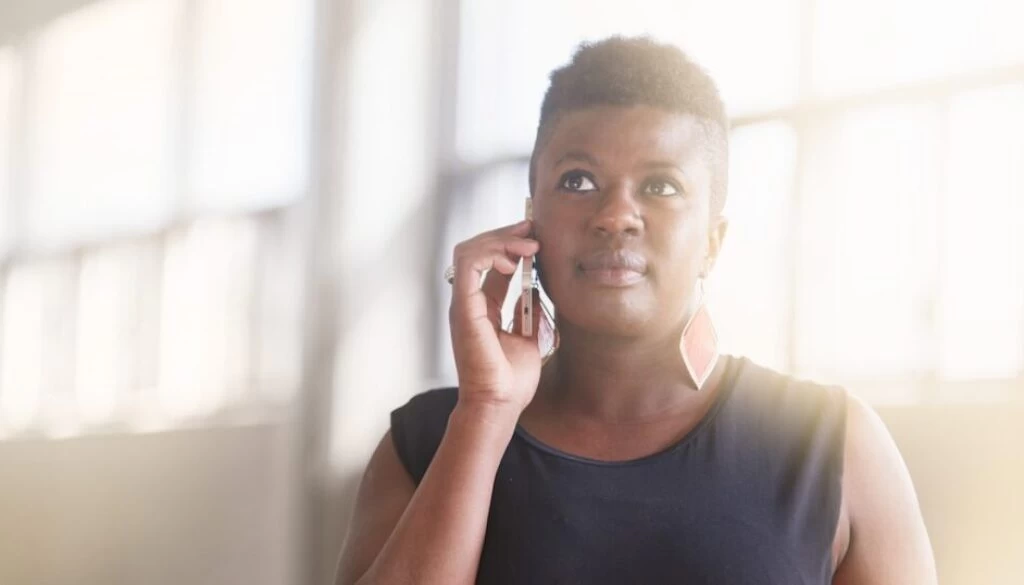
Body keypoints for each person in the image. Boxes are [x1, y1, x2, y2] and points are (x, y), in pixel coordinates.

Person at [335, 36, 937, 585]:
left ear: (711, 241)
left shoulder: (832, 446)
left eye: (661, 186)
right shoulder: (425, 441)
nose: (616, 215)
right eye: (577, 181)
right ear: (529, 218)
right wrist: (486, 411)